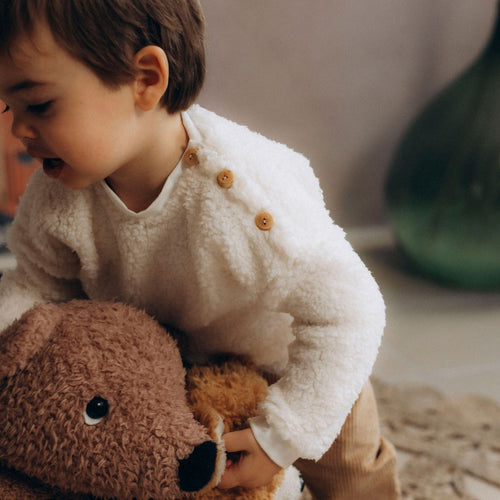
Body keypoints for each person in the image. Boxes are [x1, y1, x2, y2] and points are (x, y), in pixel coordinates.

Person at [0, 1, 400, 498]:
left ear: (145, 79)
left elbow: (350, 310)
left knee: (349, 468)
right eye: (7, 107)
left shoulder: (248, 198)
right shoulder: (56, 195)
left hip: (290, 367)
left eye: (38, 105)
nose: (18, 129)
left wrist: (281, 436)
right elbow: (37, 285)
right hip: (164, 374)